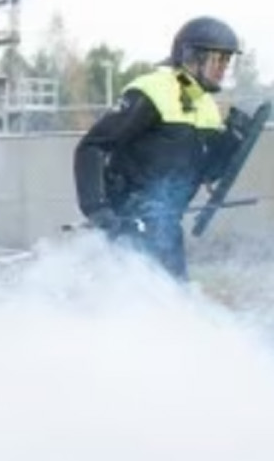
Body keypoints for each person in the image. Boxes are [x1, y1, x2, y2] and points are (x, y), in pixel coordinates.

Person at [74, 15, 256, 280]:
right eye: (218, 59)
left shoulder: (206, 106)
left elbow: (207, 174)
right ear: (191, 56)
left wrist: (232, 141)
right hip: (126, 222)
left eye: (227, 61)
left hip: (166, 224)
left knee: (175, 303)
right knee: (138, 301)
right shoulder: (152, 90)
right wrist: (97, 209)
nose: (223, 68)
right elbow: (92, 147)